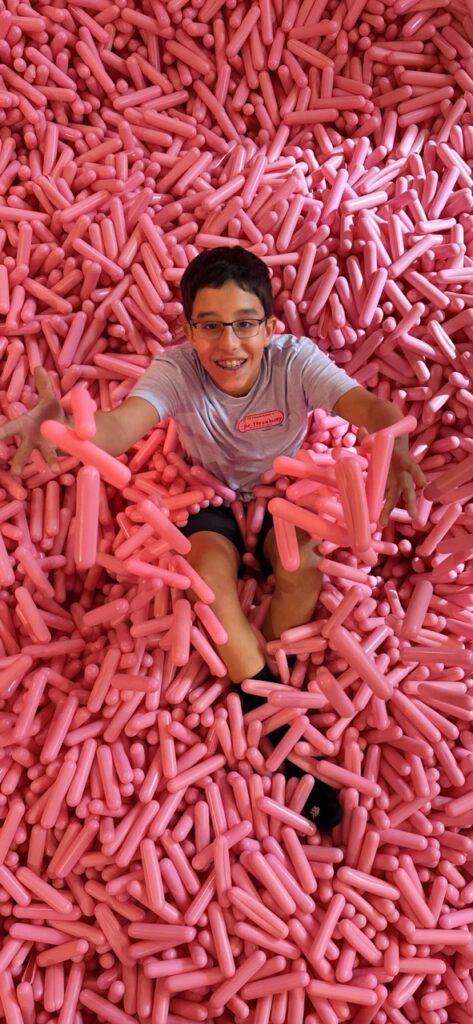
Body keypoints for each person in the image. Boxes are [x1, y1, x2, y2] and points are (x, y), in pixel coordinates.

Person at [0, 246, 426, 830]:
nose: (229, 344)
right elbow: (125, 423)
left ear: (270, 326)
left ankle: (264, 667)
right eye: (210, 326)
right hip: (205, 491)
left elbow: (363, 404)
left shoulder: (295, 361)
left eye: (245, 324)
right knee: (207, 578)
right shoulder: (176, 369)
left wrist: (392, 434)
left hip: (287, 490)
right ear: (189, 328)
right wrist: (77, 429)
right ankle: (275, 720)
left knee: (299, 569)